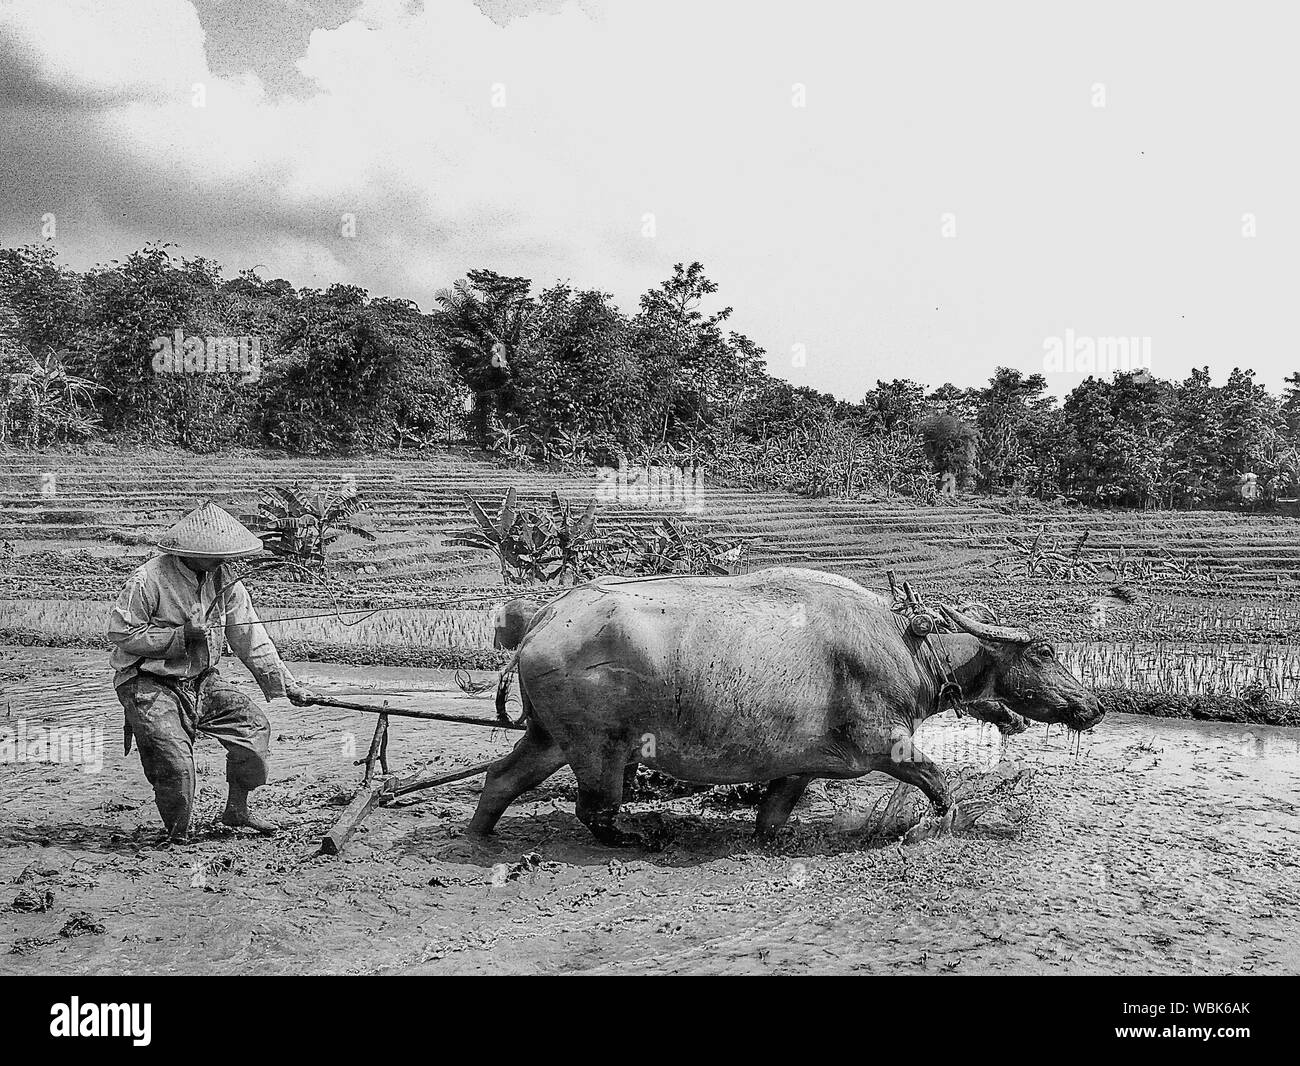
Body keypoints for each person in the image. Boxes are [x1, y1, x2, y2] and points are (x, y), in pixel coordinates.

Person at [107, 500, 316, 842]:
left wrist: (287, 685)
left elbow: (250, 635)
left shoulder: (225, 578)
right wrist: (179, 636)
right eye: (217, 554)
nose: (225, 560)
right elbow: (122, 634)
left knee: (252, 727)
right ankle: (177, 835)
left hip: (202, 679)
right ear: (190, 551)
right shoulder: (149, 578)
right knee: (175, 764)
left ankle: (237, 810)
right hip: (148, 681)